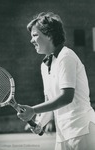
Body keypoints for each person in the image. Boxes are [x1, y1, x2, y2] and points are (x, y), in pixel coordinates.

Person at [17, 12, 95, 150]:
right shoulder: (44, 65)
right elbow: (49, 100)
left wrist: (33, 110)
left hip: (83, 131)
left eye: (35, 35)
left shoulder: (66, 56)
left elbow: (66, 97)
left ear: (49, 35)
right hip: (62, 135)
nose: (31, 40)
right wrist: (40, 123)